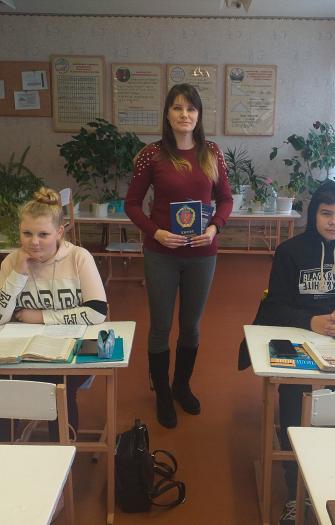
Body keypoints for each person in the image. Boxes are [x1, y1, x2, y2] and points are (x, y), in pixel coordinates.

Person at [252, 180, 335, 525]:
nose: (334, 222)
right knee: (295, 408)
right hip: (299, 338)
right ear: (314, 214)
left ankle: (333, 482)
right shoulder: (290, 251)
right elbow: (274, 307)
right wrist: (311, 321)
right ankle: (295, 488)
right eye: (326, 214)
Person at [124, 83, 232, 429]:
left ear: (198, 115)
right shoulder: (152, 155)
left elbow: (226, 199)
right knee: (160, 326)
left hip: (202, 252)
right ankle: (161, 394)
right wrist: (155, 232)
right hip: (162, 253)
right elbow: (131, 204)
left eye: (191, 108)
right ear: (168, 114)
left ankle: (181, 386)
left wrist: (214, 228)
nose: (185, 114)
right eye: (177, 108)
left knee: (191, 326)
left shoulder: (211, 152)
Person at [0, 187, 108, 435]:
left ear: (59, 232)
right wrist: (18, 274)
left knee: (58, 386)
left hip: (72, 348)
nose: (34, 242)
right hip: (23, 350)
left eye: (43, 234)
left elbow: (97, 312)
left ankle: (62, 449)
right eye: (27, 233)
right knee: (3, 387)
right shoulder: (12, 261)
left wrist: (40, 317)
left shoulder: (79, 257)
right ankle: (2, 451)